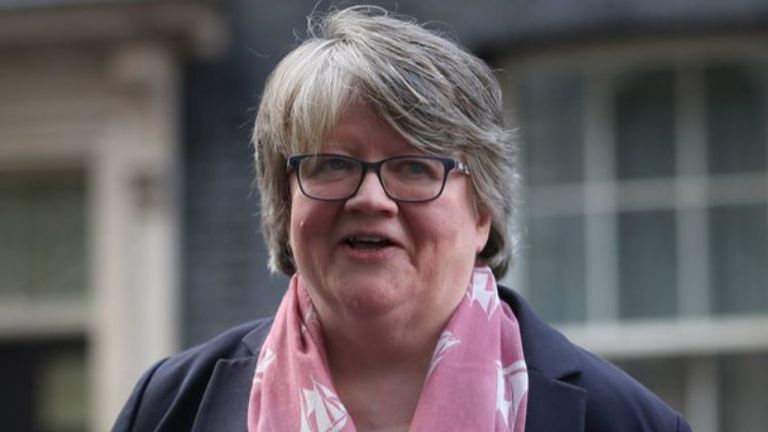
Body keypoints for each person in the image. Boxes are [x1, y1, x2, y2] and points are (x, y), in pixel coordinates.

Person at [113, 6, 691, 432]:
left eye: (415, 167)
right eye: (333, 163)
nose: (370, 198)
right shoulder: (168, 410)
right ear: (286, 201)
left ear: (482, 210)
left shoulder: (625, 422)